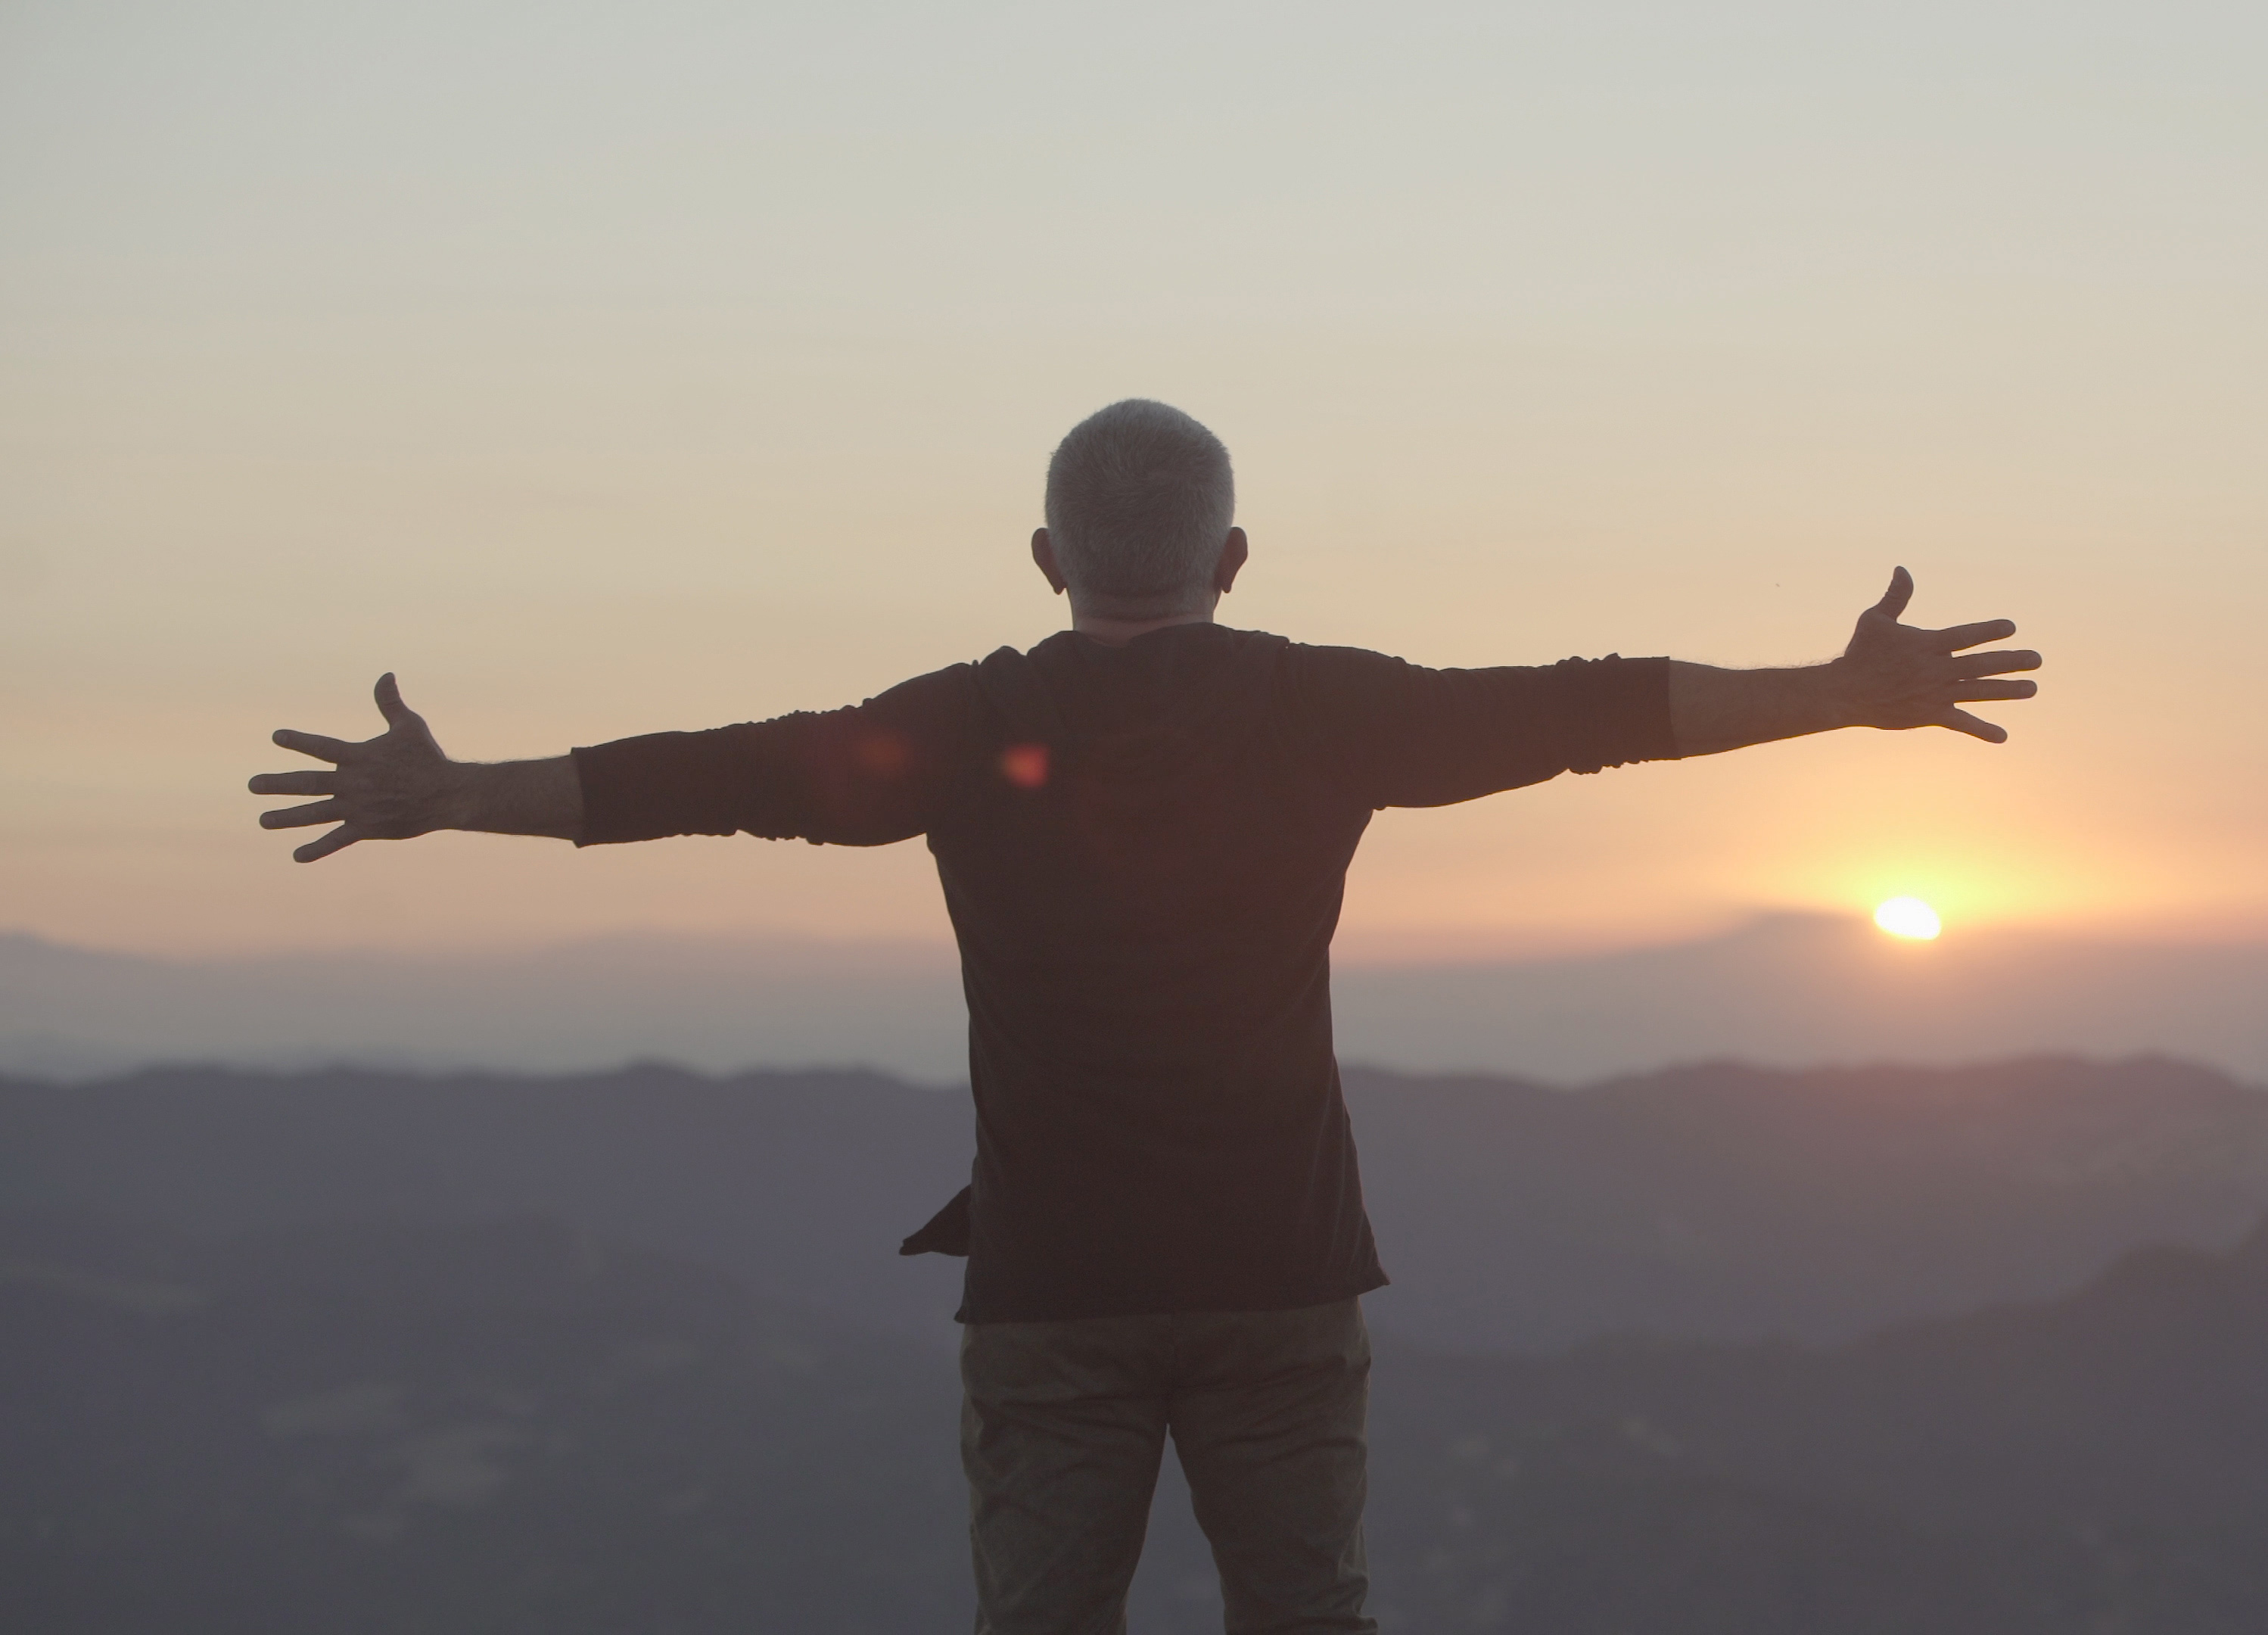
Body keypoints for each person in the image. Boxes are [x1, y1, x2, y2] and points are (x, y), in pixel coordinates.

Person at [249, 399, 2041, 1633]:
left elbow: (719, 776)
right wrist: (1834, 694)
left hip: (1052, 1286)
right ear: (1234, 553)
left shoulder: (960, 724)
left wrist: (457, 789)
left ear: (1046, 555)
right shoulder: (1323, 708)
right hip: (1279, 1272)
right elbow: (1585, 707)